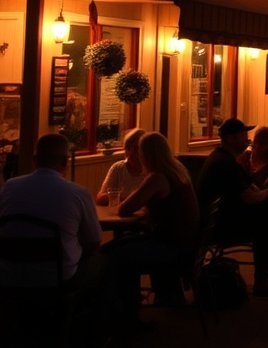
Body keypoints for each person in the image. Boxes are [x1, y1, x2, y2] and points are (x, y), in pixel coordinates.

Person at [196, 118, 268, 298]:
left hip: (222, 218)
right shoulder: (224, 163)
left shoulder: (224, 158)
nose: (248, 141)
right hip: (217, 228)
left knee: (267, 210)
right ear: (231, 139)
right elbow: (249, 197)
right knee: (266, 221)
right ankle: (264, 277)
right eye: (244, 137)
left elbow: (252, 187)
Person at [103, 132, 199, 319]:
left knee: (112, 255)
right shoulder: (176, 171)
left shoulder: (157, 178)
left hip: (171, 247)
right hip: (186, 244)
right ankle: (127, 306)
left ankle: (125, 312)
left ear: (146, 154)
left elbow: (125, 209)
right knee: (115, 248)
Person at [0, 133, 105, 288]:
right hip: (57, 278)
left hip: (9, 274)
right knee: (106, 263)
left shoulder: (8, 187)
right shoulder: (77, 193)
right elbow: (93, 243)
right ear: (65, 161)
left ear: (34, 160)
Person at [96, 128, 147, 205]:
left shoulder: (152, 170)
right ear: (127, 150)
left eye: (143, 149)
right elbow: (100, 198)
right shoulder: (118, 168)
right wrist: (124, 198)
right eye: (136, 148)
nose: (139, 153)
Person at [238, 126, 268, 192]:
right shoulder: (246, 157)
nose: (258, 146)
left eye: (262, 143)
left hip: (265, 197)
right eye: (256, 142)